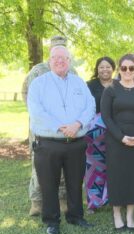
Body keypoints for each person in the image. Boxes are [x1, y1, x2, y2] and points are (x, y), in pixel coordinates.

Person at [27, 46, 95, 234]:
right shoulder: (38, 84)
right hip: (48, 143)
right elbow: (36, 111)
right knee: (49, 185)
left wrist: (78, 123)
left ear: (69, 61)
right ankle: (52, 221)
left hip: (76, 142)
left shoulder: (79, 83)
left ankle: (75, 216)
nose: (59, 61)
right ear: (49, 61)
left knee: (75, 182)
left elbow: (90, 105)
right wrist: (61, 126)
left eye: (64, 58)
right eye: (55, 58)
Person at [22, 36, 77, 217]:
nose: (59, 52)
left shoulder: (73, 71)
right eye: (56, 48)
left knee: (63, 166)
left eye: (62, 48)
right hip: (41, 128)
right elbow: (26, 92)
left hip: (65, 129)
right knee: (39, 166)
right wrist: (36, 114)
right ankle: (37, 201)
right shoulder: (38, 70)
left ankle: (62, 199)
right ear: (50, 51)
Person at [101, 54, 134, 231]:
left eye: (132, 68)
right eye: (124, 68)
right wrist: (121, 137)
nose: (128, 71)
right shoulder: (111, 90)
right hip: (116, 141)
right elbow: (106, 117)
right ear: (119, 70)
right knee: (117, 177)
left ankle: (130, 214)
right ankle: (117, 213)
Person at [84, 56, 116, 213]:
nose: (105, 70)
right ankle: (93, 202)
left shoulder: (119, 85)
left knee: (113, 165)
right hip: (94, 135)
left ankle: (111, 198)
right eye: (101, 67)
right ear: (97, 69)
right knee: (94, 167)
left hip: (115, 133)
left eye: (108, 67)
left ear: (113, 68)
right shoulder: (89, 86)